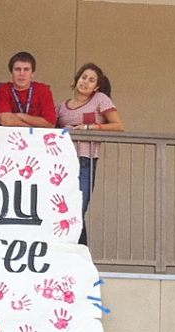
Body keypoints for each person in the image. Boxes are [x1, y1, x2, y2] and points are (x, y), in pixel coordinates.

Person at [55, 62, 124, 244]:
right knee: (64, 211)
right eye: (83, 77)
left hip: (85, 161)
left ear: (97, 87)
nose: (85, 82)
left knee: (77, 210)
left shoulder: (100, 99)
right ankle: (77, 256)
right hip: (62, 163)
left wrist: (91, 127)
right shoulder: (62, 106)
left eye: (91, 80)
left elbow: (118, 125)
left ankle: (79, 255)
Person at [0, 52, 55, 127]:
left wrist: (21, 116)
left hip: (37, 137)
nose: (22, 73)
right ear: (11, 73)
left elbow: (50, 123)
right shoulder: (3, 89)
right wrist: (31, 127)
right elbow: (5, 120)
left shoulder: (43, 89)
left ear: (32, 73)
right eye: (17, 69)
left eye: (26, 69)